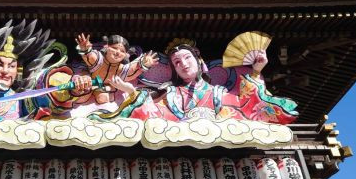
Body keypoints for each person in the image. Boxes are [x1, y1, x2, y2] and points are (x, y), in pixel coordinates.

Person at [108, 39, 297, 125]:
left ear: (199, 62)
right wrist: (131, 91)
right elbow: (153, 113)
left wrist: (256, 71)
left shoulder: (219, 93)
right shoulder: (171, 95)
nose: (183, 64)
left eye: (187, 58)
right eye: (177, 62)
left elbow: (246, 107)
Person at [74, 33, 158, 105]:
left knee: (102, 98)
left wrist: (144, 64)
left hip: (106, 87)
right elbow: (90, 56)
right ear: (106, 47)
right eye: (114, 48)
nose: (118, 52)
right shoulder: (98, 60)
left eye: (122, 51)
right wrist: (85, 49)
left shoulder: (122, 70)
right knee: (82, 96)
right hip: (88, 80)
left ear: (125, 55)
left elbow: (134, 69)